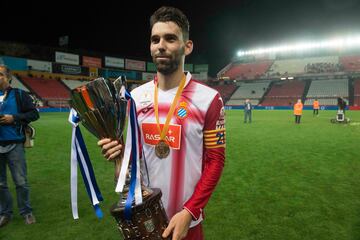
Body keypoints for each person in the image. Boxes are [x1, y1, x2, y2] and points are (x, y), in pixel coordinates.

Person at [98, 6, 225, 240]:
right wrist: (119, 158)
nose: (161, 45)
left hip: (187, 221)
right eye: (155, 39)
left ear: (188, 46)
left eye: (170, 38)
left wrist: (190, 210)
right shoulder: (136, 97)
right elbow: (130, 163)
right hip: (143, 218)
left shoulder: (208, 99)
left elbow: (215, 161)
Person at [0, 65, 39, 227]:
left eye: (0, 74)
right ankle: (5, 213)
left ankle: (26, 212)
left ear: (8, 77)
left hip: (15, 145)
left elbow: (34, 114)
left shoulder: (19, 94)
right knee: (0, 183)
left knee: (21, 182)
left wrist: (13, 118)